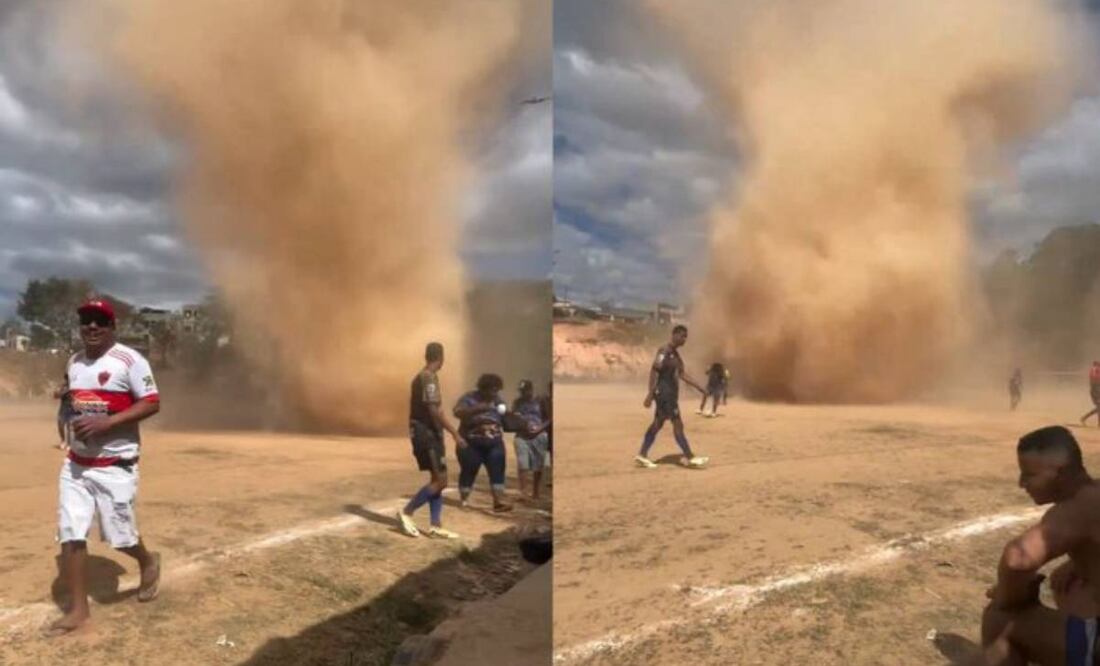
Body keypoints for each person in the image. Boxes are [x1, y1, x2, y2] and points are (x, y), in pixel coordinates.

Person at [49, 298, 162, 636]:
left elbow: (152, 402)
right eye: (86, 320)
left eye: (100, 321)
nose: (92, 326)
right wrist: (65, 395)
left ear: (112, 327)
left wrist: (107, 423)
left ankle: (147, 560)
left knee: (119, 537)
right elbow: (75, 394)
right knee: (71, 532)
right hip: (77, 465)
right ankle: (79, 610)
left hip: (116, 464)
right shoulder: (74, 361)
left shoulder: (130, 361)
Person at [979, 426, 1100, 665]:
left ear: (1060, 473)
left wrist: (1008, 597)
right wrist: (1074, 564)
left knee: (999, 620)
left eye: (1029, 475)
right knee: (1069, 586)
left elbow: (1018, 558)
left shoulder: (1077, 508)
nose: (1021, 483)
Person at [396, 342, 465, 540]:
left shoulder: (424, 376)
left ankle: (435, 525)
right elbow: (433, 410)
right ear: (441, 358)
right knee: (441, 480)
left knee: (438, 479)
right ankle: (407, 512)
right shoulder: (428, 377)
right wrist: (454, 433)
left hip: (427, 433)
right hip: (426, 434)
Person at [635, 325, 709, 469]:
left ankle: (642, 454)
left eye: (686, 336)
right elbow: (654, 370)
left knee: (657, 424)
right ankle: (690, 456)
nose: (684, 339)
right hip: (665, 395)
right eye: (682, 336)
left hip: (669, 396)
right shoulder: (664, 351)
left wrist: (699, 387)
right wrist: (650, 394)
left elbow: (682, 374)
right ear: (674, 335)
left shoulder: (676, 355)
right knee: (677, 424)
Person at [453, 374, 513, 512]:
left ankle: (498, 502)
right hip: (471, 444)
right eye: (492, 390)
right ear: (483, 388)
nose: (494, 393)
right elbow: (457, 412)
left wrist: (515, 419)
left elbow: (505, 417)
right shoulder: (469, 398)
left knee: (497, 470)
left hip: (494, 443)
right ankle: (464, 500)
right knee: (469, 471)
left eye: (497, 390)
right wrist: (479, 408)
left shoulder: (498, 401)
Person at [512, 380, 550, 502]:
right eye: (521, 391)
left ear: (531, 390)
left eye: (525, 391)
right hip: (522, 435)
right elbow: (513, 417)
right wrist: (521, 424)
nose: (523, 393)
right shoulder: (517, 403)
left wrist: (539, 428)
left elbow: (549, 418)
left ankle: (536, 492)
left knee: (537, 465)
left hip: (539, 435)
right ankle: (523, 492)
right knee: (522, 463)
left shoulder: (540, 401)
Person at [54, 373, 72, 451]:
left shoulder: (75, 387)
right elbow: (55, 396)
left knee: (69, 427)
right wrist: (61, 390)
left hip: (72, 408)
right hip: (63, 408)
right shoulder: (63, 387)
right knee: (60, 424)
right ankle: (63, 441)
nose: (67, 380)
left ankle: (69, 444)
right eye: (66, 379)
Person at [1080, 361, 1100, 427]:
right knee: (1099, 407)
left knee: (1098, 408)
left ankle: (1084, 418)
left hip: (1095, 390)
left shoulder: (1094, 370)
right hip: (1095, 391)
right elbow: (1094, 381)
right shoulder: (1095, 370)